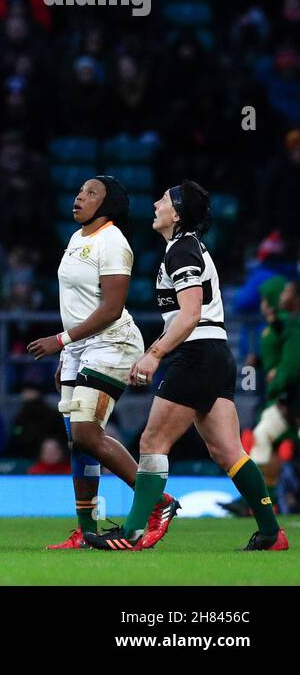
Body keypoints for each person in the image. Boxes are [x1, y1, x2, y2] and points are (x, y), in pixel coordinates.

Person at [85, 182, 289, 551]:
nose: (156, 204)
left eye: (163, 200)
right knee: (228, 452)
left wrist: (155, 353)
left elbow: (191, 313)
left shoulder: (181, 250)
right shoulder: (185, 248)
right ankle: (272, 533)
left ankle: (132, 533)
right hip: (214, 354)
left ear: (177, 213)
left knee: (152, 441)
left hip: (195, 354)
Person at [27, 176, 175, 549]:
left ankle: (158, 502)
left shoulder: (113, 242)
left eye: (91, 193)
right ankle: (86, 529)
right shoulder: (78, 238)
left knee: (86, 434)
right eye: (79, 191)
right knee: (78, 443)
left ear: (107, 206)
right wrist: (69, 353)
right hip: (79, 348)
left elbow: (110, 309)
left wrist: (60, 340)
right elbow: (77, 305)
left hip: (112, 343)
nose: (80, 196)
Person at [223, 278, 299, 517]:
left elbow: (288, 364)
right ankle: (259, 498)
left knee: (267, 440)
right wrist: (254, 369)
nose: (262, 304)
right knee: (262, 438)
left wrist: (274, 380)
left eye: (267, 299)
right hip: (277, 397)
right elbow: (254, 378)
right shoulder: (265, 329)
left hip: (286, 395)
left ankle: (262, 498)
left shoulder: (286, 326)